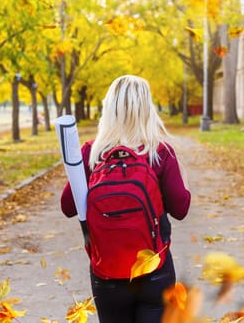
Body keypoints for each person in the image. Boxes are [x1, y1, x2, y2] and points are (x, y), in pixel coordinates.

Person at [60, 74, 191, 323]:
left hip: (106, 274)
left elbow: (68, 206)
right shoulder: (159, 151)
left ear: (109, 108)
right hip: (155, 272)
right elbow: (181, 208)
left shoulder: (91, 152)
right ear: (147, 109)